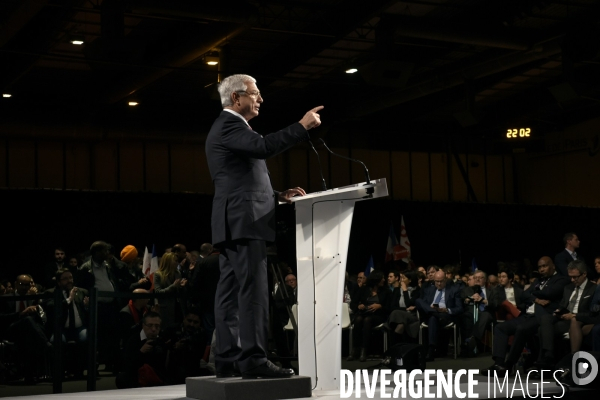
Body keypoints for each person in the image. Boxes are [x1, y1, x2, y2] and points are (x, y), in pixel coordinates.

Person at [205, 73, 322, 379]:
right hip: (244, 222)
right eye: (255, 93)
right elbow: (265, 147)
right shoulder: (230, 124)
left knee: (230, 294)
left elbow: (239, 178)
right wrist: (301, 127)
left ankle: (229, 360)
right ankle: (254, 360)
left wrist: (276, 196)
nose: (260, 98)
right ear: (236, 98)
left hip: (236, 220)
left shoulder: (227, 128)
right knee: (253, 293)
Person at [489, 256, 569, 374]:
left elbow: (550, 293)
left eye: (544, 266)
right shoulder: (538, 280)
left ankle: (509, 364)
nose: (541, 269)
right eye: (539, 267)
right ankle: (499, 364)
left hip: (542, 316)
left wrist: (533, 294)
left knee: (522, 329)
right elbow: (523, 294)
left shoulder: (560, 279)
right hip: (527, 315)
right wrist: (536, 299)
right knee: (500, 328)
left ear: (553, 266)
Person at [416, 270, 463, 361]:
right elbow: (423, 304)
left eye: (441, 281)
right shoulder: (429, 290)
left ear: (445, 280)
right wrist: (431, 309)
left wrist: (446, 310)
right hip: (432, 314)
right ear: (434, 281)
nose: (439, 283)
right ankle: (431, 349)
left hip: (445, 315)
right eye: (437, 281)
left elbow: (459, 308)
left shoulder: (454, 290)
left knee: (433, 318)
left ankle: (431, 351)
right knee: (419, 301)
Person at [347, 271, 390, 362]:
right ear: (376, 279)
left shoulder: (386, 291)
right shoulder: (364, 289)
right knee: (358, 319)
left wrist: (380, 306)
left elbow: (390, 307)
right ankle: (355, 350)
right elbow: (353, 303)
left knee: (367, 320)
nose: (384, 279)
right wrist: (359, 306)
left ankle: (364, 351)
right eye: (381, 278)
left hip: (378, 315)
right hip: (364, 313)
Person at [154, 252, 186, 328]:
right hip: (166, 308)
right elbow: (158, 292)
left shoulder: (177, 273)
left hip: (178, 306)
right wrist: (173, 286)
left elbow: (180, 291)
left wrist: (181, 286)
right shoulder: (158, 274)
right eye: (175, 261)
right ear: (168, 262)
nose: (177, 263)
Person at [387, 271, 420, 344]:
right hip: (400, 316)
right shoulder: (397, 290)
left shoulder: (417, 291)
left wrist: (405, 290)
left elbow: (409, 304)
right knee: (400, 325)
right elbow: (392, 307)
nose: (401, 280)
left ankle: (394, 348)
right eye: (401, 278)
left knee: (396, 313)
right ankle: (398, 349)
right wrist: (405, 309)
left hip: (411, 315)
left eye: (403, 278)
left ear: (410, 280)